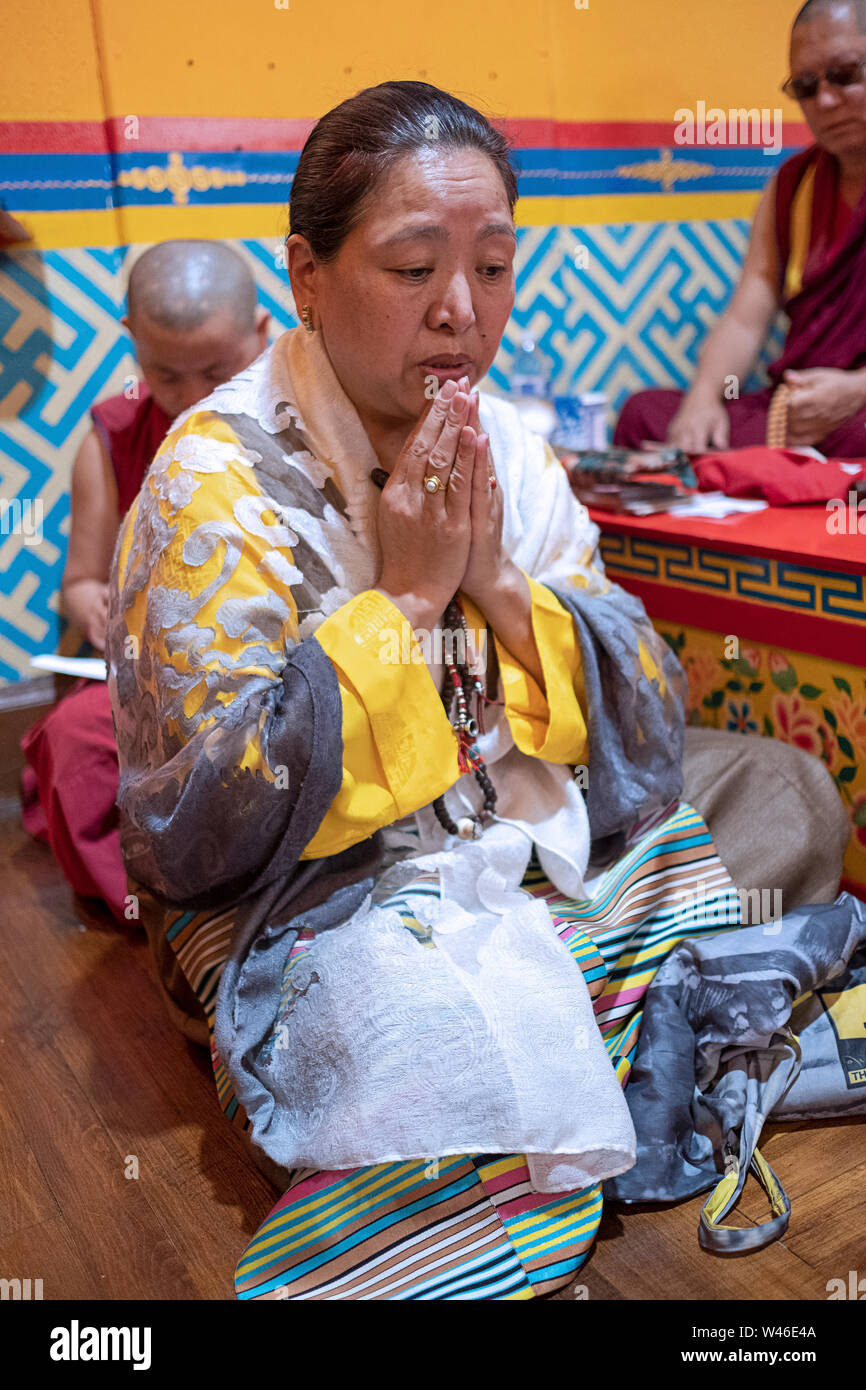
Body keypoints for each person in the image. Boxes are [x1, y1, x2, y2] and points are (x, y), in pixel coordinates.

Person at [106, 81, 849, 1301]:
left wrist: (497, 579)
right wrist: (398, 602)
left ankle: (537, 1043)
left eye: (493, 267)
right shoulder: (213, 483)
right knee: (408, 991)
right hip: (329, 891)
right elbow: (202, 832)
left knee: (789, 789)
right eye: (411, 267)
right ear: (304, 273)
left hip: (516, 816)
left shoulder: (506, 438)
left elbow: (643, 726)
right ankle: (618, 1027)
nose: (461, 314)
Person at [20, 240, 269, 921]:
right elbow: (78, 579)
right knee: (74, 743)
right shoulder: (113, 436)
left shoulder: (293, 421)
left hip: (260, 677)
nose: (193, 402)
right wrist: (93, 604)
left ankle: (258, 890)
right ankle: (166, 912)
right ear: (132, 345)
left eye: (218, 373)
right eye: (166, 378)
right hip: (143, 687)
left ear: (263, 335)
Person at [615, 0, 866, 456]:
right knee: (645, 414)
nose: (826, 101)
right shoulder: (794, 186)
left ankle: (782, 476)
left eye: (846, 75)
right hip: (800, 409)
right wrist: (704, 399)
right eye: (806, 86)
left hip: (856, 412)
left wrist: (856, 390)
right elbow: (747, 318)